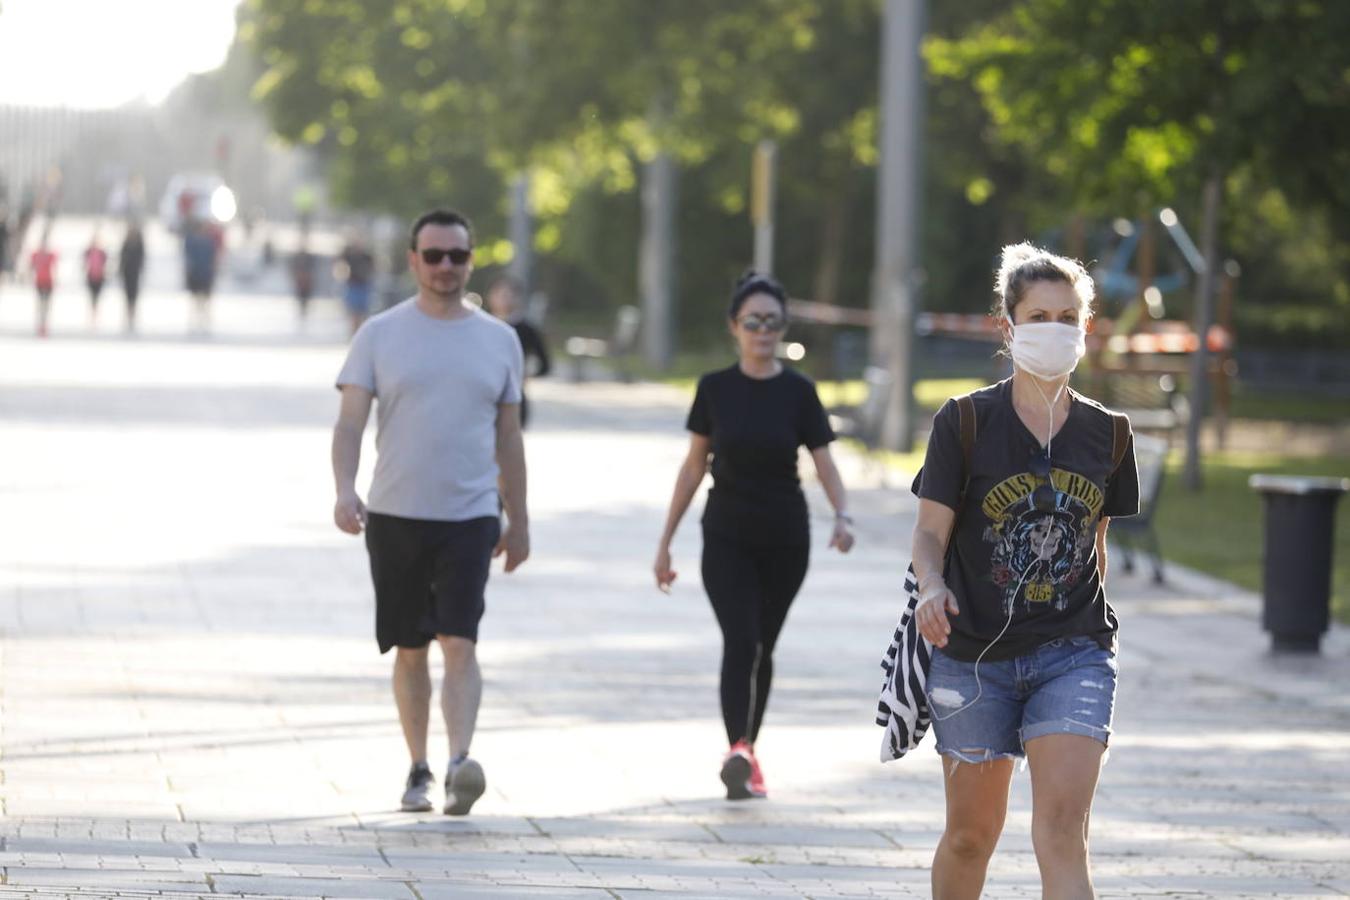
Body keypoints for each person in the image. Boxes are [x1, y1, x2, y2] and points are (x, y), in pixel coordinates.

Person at [909, 243, 1139, 898]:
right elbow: (929, 533)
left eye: (1069, 317)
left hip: (1074, 653)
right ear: (1008, 328)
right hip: (974, 655)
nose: (1056, 330)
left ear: (1085, 329)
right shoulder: (965, 422)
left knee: (1062, 832)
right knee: (970, 837)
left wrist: (1097, 636)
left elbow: (1093, 542)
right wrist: (932, 586)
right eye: (1040, 316)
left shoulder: (1109, 434)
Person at [331, 208, 529, 817]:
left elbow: (509, 439)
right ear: (414, 260)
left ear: (472, 261)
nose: (446, 267)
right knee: (411, 647)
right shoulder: (379, 335)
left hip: (470, 515)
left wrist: (518, 518)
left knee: (460, 640)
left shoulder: (499, 340)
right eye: (434, 255)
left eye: (458, 256)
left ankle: (458, 763)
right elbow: (349, 423)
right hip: (394, 514)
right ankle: (417, 767)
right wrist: (345, 487)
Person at [653, 270, 855, 801]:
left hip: (787, 540)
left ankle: (749, 751)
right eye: (752, 322)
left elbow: (824, 462)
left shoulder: (799, 392)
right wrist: (665, 541)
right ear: (734, 327)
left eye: (771, 322)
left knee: (764, 647)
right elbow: (694, 466)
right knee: (740, 640)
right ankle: (737, 749)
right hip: (725, 536)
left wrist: (843, 516)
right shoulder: (714, 389)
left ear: (781, 327)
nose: (763, 331)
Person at [485, 276, 550, 427]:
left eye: (509, 295)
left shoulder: (527, 329)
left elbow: (545, 364)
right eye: (500, 294)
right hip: (485, 395)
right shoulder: (480, 326)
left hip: (514, 395)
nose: (504, 299)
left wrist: (526, 374)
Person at [182, 218, 218, 334]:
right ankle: (195, 319)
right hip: (195, 273)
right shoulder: (191, 241)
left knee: (205, 298)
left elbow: (213, 257)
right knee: (195, 297)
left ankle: (204, 319)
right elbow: (188, 257)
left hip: (206, 273)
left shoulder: (208, 242)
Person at [338, 235, 375, 336]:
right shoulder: (349, 255)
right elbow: (340, 263)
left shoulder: (367, 256)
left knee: (363, 313)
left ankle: (362, 334)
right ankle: (354, 334)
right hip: (353, 285)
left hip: (364, 286)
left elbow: (373, 268)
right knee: (354, 313)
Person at [29, 231, 58, 338]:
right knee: (40, 304)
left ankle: (45, 325)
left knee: (47, 305)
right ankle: (40, 325)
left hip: (49, 282)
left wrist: (57, 279)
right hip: (39, 281)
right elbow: (31, 267)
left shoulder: (52, 255)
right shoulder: (35, 254)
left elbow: (55, 268)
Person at [119, 223, 146, 333]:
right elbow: (122, 258)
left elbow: (142, 259)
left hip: (135, 274)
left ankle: (132, 315)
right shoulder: (126, 244)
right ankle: (128, 315)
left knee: (134, 296)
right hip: (127, 273)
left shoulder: (139, 245)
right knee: (127, 296)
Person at [84, 233, 109, 325]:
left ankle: (96, 315)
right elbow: (84, 263)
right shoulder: (88, 251)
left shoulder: (102, 252)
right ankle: (92, 315)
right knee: (91, 297)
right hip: (91, 276)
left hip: (99, 277)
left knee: (97, 297)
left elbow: (105, 264)